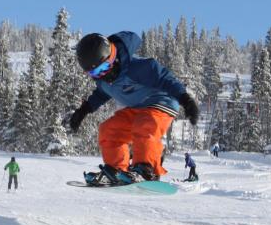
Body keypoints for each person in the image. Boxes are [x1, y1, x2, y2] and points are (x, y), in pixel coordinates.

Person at [68, 32, 199, 185]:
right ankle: (116, 170)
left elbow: (165, 78)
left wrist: (185, 99)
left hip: (163, 102)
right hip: (138, 108)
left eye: (102, 68)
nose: (101, 75)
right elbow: (101, 94)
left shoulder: (137, 68)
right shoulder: (104, 81)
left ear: (111, 56)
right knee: (109, 129)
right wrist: (83, 110)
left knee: (144, 125)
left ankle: (145, 169)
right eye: (94, 73)